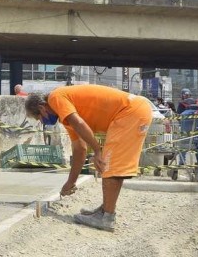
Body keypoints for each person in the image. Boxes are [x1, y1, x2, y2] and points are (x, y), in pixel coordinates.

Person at [25, 85, 152, 232]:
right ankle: (105, 210)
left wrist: (98, 151)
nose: (42, 122)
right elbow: (80, 149)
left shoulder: (55, 98)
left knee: (109, 164)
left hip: (130, 112)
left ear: (42, 107)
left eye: (39, 117)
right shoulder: (66, 117)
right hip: (133, 111)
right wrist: (70, 183)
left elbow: (79, 123)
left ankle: (107, 217)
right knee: (111, 164)